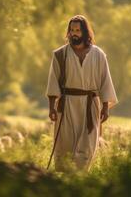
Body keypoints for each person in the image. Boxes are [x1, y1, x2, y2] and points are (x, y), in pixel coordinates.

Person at [46, 15, 118, 171]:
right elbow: (53, 82)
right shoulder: (60, 54)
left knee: (87, 147)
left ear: (85, 32)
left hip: (89, 105)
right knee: (65, 147)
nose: (74, 33)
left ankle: (79, 181)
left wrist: (105, 107)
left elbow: (105, 81)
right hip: (66, 106)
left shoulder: (99, 55)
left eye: (77, 30)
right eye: (71, 30)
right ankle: (65, 184)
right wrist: (52, 107)